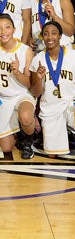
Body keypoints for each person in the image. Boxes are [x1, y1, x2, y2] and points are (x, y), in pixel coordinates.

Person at [29, 21, 75, 176]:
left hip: (70, 104)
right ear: (43, 37)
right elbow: (36, 92)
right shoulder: (37, 59)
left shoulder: (74, 56)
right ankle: (68, 132)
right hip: (50, 109)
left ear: (60, 36)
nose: (50, 37)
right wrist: (38, 78)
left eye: (54, 33)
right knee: (53, 155)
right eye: (46, 33)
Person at [0, 14, 35, 159]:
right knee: (6, 147)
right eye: (0, 28)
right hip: (3, 98)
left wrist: (17, 72)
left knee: (26, 117)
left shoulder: (25, 50)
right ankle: (17, 132)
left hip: (22, 95)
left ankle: (28, 141)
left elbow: (29, 84)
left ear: (14, 29)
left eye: (7, 27)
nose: (3, 32)